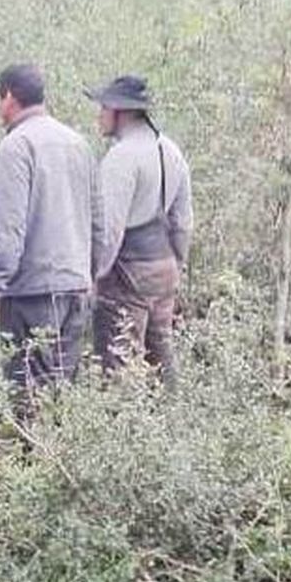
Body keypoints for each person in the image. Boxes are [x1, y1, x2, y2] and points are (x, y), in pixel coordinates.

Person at [0, 63, 102, 417]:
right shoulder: (78, 143)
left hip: (32, 292)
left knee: (28, 391)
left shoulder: (16, 147)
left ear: (9, 97)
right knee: (61, 389)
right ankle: (58, 464)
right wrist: (89, 274)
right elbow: (100, 223)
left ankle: (33, 466)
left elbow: (8, 228)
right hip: (75, 287)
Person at [88, 74, 193, 383]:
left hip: (128, 275)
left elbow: (110, 231)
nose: (100, 115)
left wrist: (93, 276)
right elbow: (183, 221)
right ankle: (173, 422)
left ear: (120, 111)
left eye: (103, 108)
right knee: (161, 355)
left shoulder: (121, 158)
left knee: (119, 359)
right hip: (164, 269)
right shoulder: (171, 150)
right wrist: (177, 263)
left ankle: (121, 426)